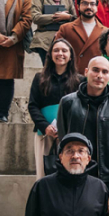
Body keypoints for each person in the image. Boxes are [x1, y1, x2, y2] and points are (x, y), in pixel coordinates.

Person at [56, 56, 109, 185]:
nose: (99, 75)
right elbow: (63, 138)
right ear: (86, 72)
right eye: (95, 70)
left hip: (107, 175)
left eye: (104, 72)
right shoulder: (68, 102)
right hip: (75, 171)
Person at [29, 39, 84, 178]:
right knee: (43, 173)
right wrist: (45, 126)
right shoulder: (40, 78)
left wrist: (68, 128)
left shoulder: (80, 81)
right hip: (45, 133)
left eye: (64, 50)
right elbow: (33, 105)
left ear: (70, 56)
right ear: (50, 55)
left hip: (71, 133)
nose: (60, 53)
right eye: (56, 50)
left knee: (70, 173)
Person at [30, 0, 75, 65]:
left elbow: (75, 18)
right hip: (44, 40)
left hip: (65, 38)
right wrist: (56, 17)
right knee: (48, 69)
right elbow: (35, 17)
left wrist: (67, 17)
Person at [56, 0, 107, 75]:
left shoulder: (105, 31)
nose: (89, 7)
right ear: (78, 6)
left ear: (97, 7)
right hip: (70, 75)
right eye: (85, 3)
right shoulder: (65, 29)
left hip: (95, 76)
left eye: (92, 4)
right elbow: (56, 52)